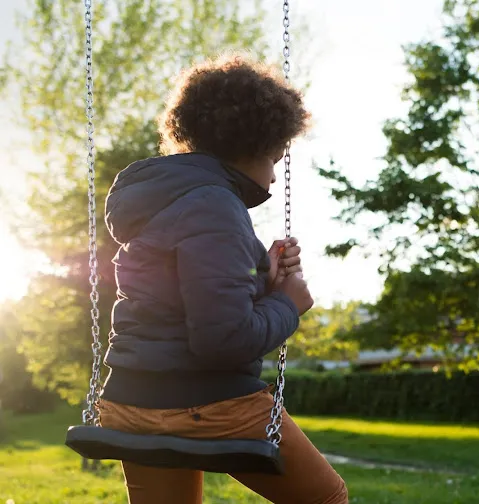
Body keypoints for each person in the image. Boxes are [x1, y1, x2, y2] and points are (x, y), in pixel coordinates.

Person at [96, 52, 349, 504]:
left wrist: (259, 277)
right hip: (208, 402)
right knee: (327, 498)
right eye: (274, 158)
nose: (274, 176)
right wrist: (289, 302)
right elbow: (223, 340)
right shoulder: (215, 204)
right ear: (251, 146)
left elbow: (179, 296)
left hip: (130, 402)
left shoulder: (166, 199)